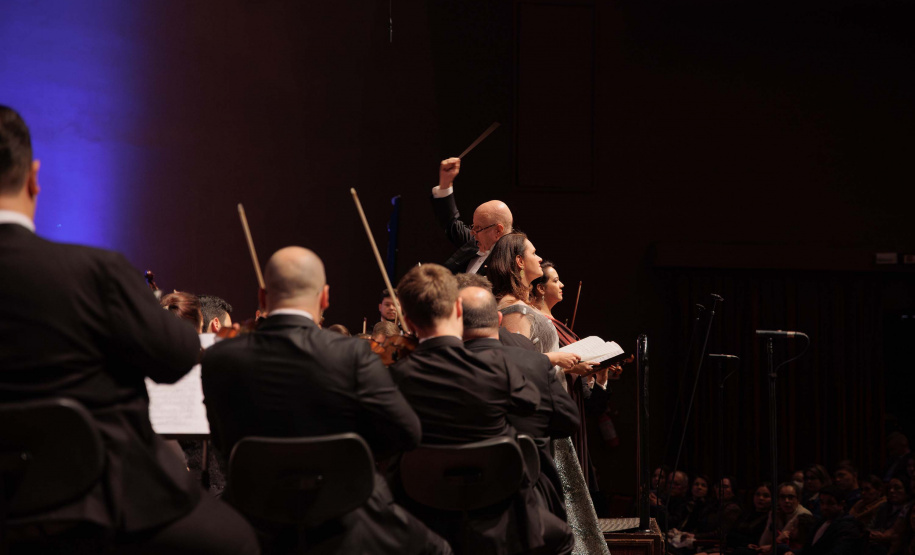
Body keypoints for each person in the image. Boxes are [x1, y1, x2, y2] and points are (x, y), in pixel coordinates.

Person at [0, 105, 259, 554]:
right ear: (33, 176)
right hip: (95, 503)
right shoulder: (95, 272)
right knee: (236, 541)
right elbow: (178, 355)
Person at [201, 247, 450, 555]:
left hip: (252, 514)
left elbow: (222, 442)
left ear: (263, 298)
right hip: (344, 516)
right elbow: (407, 432)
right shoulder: (354, 354)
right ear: (324, 298)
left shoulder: (219, 357)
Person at [389, 263, 573, 555]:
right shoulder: (501, 370)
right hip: (499, 515)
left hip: (424, 515)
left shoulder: (395, 377)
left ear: (409, 323)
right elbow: (530, 405)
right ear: (458, 313)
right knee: (561, 536)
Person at [487, 233, 609, 554]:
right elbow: (516, 363)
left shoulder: (522, 306)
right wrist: (557, 359)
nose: (539, 258)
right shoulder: (513, 310)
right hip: (537, 419)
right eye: (533, 253)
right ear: (518, 261)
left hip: (548, 411)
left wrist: (569, 367)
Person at [459, 283, 580, 518]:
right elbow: (569, 421)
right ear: (498, 319)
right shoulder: (535, 362)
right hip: (528, 503)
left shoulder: (440, 367)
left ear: (455, 321)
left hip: (458, 503)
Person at [530, 260, 615, 514]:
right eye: (555, 280)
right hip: (553, 415)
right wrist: (569, 367)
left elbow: (586, 397)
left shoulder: (559, 326)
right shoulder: (537, 323)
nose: (562, 284)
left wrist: (599, 377)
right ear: (540, 289)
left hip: (575, 414)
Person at [430, 157, 513, 275]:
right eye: (473, 227)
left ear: (498, 231)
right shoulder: (475, 242)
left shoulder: (512, 261)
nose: (472, 232)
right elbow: (451, 223)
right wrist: (445, 183)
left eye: (478, 228)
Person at [797, 485, 866, 555]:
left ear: (841, 504)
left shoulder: (848, 527)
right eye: (822, 502)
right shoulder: (821, 521)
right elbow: (809, 550)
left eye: (830, 503)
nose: (824, 507)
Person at [758, 482, 811, 548]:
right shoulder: (776, 513)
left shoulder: (803, 515)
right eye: (782, 497)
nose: (786, 501)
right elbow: (763, 543)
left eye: (790, 497)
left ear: (798, 499)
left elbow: (781, 542)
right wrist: (773, 519)